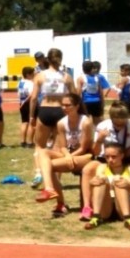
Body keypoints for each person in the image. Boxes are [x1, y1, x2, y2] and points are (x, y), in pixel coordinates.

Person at [79, 101, 130, 223]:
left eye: (123, 123)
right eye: (117, 124)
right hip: (106, 158)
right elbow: (96, 152)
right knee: (87, 170)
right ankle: (87, 207)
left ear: (128, 117)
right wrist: (99, 140)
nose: (120, 126)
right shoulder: (103, 126)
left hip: (128, 158)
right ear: (111, 118)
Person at [33, 93, 94, 215]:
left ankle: (60, 204)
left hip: (85, 156)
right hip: (68, 154)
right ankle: (49, 189)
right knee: (43, 152)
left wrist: (70, 156)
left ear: (77, 106)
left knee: (49, 166)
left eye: (68, 105)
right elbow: (62, 146)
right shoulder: (61, 123)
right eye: (63, 105)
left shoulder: (86, 122)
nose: (64, 108)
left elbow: (84, 147)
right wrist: (67, 155)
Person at [28, 48, 76, 187]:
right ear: (61, 59)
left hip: (45, 110)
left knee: (39, 145)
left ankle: (38, 172)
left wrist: (32, 116)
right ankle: (56, 178)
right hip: (60, 111)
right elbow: (75, 97)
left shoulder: (40, 76)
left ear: (47, 59)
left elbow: (34, 98)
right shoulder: (66, 76)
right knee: (59, 146)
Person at [83, 143, 130, 231]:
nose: (110, 160)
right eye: (107, 157)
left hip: (125, 205)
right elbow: (96, 184)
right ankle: (96, 217)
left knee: (119, 180)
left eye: (114, 157)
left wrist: (128, 183)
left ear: (121, 156)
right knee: (101, 179)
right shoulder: (102, 167)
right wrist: (92, 183)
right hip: (106, 206)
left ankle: (128, 218)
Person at [76, 61, 105, 125]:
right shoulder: (97, 78)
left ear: (83, 69)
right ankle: (97, 133)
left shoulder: (80, 78)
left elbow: (78, 92)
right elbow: (101, 92)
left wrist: (77, 103)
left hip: (86, 102)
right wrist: (102, 103)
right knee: (97, 121)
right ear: (92, 68)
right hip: (97, 101)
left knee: (86, 120)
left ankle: (88, 133)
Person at [18, 66, 35, 147]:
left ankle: (22, 141)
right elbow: (32, 94)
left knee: (24, 122)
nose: (34, 75)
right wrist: (27, 100)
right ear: (28, 74)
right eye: (32, 73)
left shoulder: (20, 82)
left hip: (21, 103)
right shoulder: (30, 83)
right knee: (32, 123)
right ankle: (30, 142)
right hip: (28, 103)